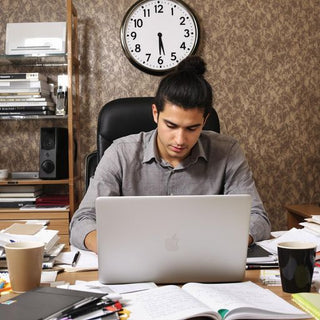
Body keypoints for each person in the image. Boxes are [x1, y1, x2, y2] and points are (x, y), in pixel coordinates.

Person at [70, 56, 271, 253]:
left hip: (204, 262)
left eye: (192, 128)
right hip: (135, 265)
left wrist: (227, 242)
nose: (180, 140)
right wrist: (110, 248)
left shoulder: (228, 152)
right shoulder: (120, 153)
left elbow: (257, 217)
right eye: (171, 126)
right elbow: (82, 220)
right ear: (155, 113)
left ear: (205, 120)